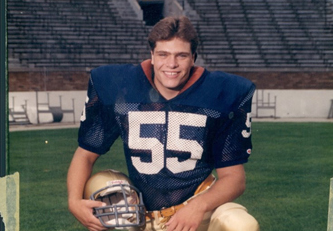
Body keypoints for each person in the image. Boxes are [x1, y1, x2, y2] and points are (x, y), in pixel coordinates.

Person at [67, 16, 260, 231]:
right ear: (151, 55)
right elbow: (85, 154)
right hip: (141, 214)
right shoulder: (121, 88)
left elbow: (234, 178)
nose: (172, 64)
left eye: (182, 55)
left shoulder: (222, 93)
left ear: (193, 57)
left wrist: (198, 207)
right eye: (163, 54)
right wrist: (74, 201)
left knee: (240, 225)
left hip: (200, 210)